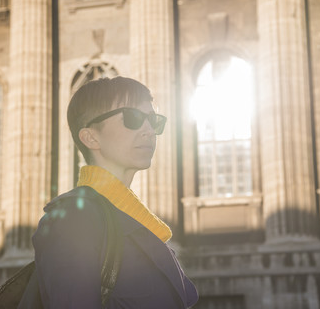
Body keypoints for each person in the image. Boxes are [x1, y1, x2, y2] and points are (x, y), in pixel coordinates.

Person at [31, 76, 198, 308]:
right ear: (90, 137)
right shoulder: (73, 219)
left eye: (153, 120)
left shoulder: (144, 225)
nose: (149, 130)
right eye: (133, 118)